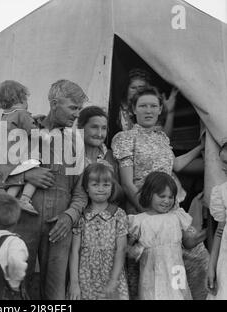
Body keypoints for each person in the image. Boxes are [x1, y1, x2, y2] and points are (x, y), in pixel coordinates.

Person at [0, 79, 89, 300]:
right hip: (21, 223)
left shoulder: (76, 143)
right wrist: (25, 175)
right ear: (54, 104)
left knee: (55, 295)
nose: (76, 114)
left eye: (79, 109)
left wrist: (69, 217)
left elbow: (81, 192)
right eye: (73, 108)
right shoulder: (21, 129)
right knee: (12, 291)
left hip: (59, 229)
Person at [111, 86, 203, 299]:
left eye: (153, 105)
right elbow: (126, 182)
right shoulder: (125, 138)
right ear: (133, 109)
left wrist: (201, 147)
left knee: (194, 261)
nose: (148, 110)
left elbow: (175, 165)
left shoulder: (161, 138)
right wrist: (149, 214)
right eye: (143, 105)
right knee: (147, 271)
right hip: (143, 212)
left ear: (161, 109)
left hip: (170, 210)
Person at [128, 172, 206, 300]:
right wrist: (134, 251)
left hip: (175, 273)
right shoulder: (138, 221)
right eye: (162, 196)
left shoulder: (176, 217)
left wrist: (201, 236)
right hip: (152, 275)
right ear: (148, 194)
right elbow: (128, 248)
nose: (167, 201)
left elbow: (187, 243)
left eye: (171, 197)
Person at [68, 163, 128, 300]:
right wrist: (74, 283)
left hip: (112, 274)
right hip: (85, 276)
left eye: (106, 185)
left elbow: (122, 249)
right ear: (86, 188)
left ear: (112, 187)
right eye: (95, 185)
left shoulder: (119, 214)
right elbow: (74, 251)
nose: (101, 189)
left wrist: (114, 280)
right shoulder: (81, 215)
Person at [0, 80, 47, 215]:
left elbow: (18, 125)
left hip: (7, 159)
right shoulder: (22, 113)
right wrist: (45, 135)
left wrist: (33, 118)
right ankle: (25, 198)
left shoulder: (5, 116)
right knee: (36, 167)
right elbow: (32, 130)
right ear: (21, 98)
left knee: (15, 181)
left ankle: (9, 201)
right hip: (21, 155)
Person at [117, 68, 178, 137]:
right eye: (133, 88)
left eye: (141, 87)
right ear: (126, 89)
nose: (137, 91)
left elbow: (164, 138)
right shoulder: (118, 109)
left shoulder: (149, 108)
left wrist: (170, 112)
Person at [207, 142, 227, 300]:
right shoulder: (222, 191)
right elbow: (219, 232)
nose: (224, 168)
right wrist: (211, 266)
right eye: (223, 163)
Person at [77, 105, 118, 173]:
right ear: (81, 128)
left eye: (104, 128)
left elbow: (117, 183)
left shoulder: (111, 157)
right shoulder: (69, 156)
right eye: (94, 127)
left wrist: (111, 177)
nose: (99, 134)